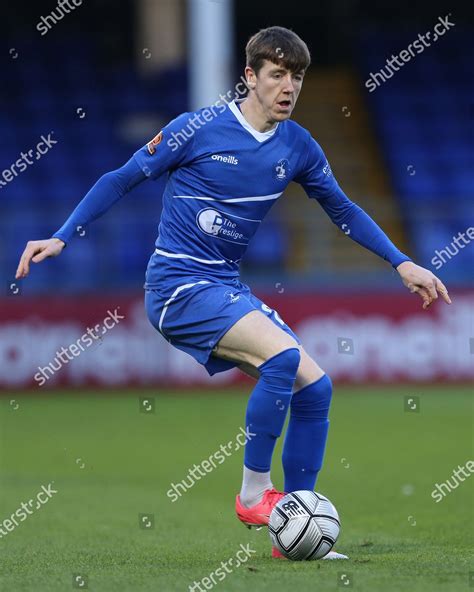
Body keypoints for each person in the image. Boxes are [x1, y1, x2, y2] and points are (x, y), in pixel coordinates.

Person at [16, 26, 450, 560]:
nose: (288, 87)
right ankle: (252, 494)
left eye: (296, 77)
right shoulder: (196, 129)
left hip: (223, 284)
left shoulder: (298, 146)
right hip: (176, 285)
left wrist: (402, 261)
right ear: (250, 77)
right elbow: (120, 178)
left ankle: (294, 531)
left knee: (315, 389)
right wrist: (62, 235)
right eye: (277, 75)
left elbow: (343, 210)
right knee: (284, 358)